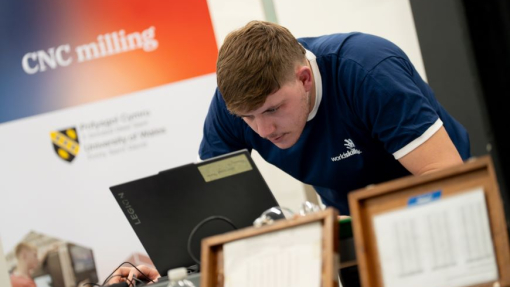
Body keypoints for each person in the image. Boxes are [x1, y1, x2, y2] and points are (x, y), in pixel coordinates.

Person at [108, 20, 470, 284]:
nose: (263, 130)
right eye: (248, 117)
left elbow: (446, 180)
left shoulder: (367, 71)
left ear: (304, 78)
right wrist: (183, 266)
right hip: (349, 232)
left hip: (433, 216)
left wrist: (314, 233)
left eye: (272, 110)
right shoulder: (233, 107)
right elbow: (213, 218)